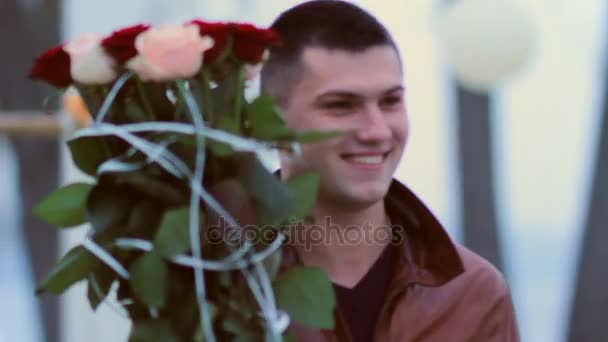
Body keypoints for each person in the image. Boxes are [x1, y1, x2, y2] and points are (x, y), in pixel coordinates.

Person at [261, 1, 519, 341]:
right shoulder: (214, 281)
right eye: (341, 105)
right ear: (271, 121)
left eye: (390, 101)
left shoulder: (473, 293)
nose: (377, 131)